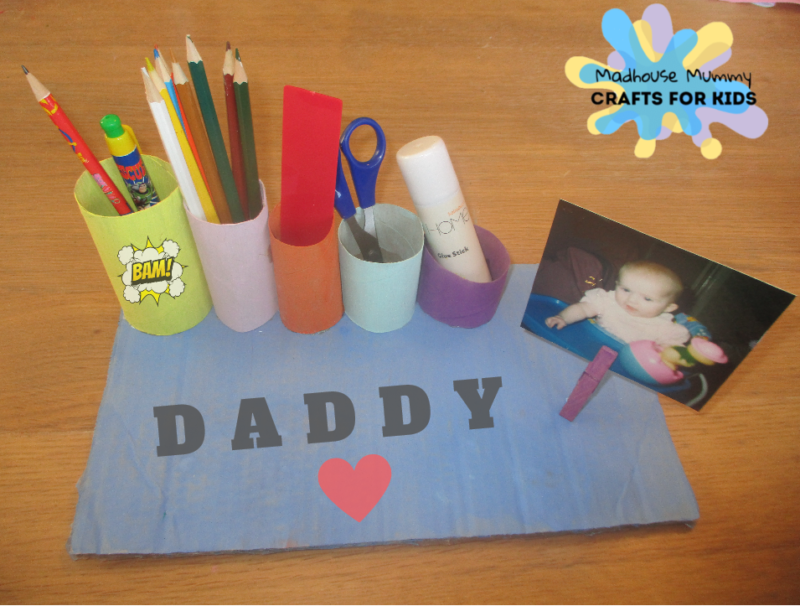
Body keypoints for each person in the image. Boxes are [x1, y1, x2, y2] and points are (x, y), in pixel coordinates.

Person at [545, 260, 691, 346]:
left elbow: (672, 352)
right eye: (626, 290)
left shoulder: (664, 328)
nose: (631, 300)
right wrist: (562, 317)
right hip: (590, 344)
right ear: (617, 284)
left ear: (668, 308)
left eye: (647, 299)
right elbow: (582, 308)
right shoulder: (608, 301)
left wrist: (666, 352)